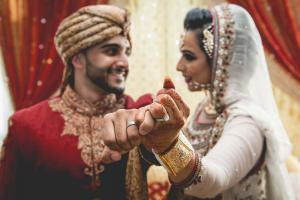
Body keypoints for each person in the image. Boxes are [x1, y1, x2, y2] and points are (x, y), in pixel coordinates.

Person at [101, 4, 296, 200]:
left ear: (223, 60)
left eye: (189, 56)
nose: (179, 66)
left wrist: (167, 143)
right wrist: (145, 138)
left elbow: (211, 182)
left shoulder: (247, 122)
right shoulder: (207, 108)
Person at [0, 5, 156, 200]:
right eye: (111, 51)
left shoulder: (139, 113)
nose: (124, 62)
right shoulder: (26, 126)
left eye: (127, 52)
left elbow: (180, 169)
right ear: (78, 60)